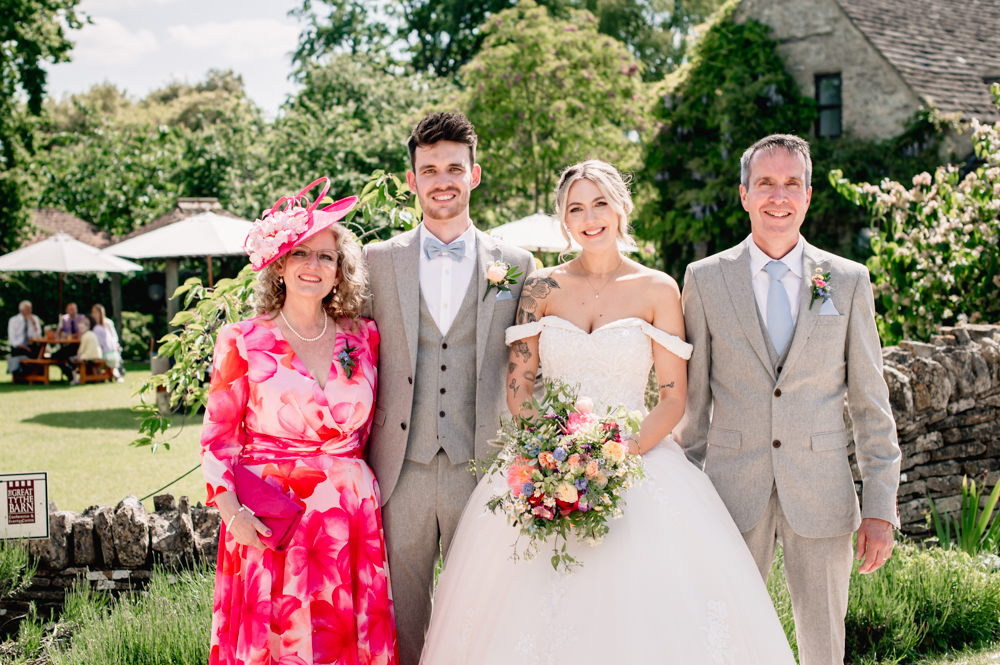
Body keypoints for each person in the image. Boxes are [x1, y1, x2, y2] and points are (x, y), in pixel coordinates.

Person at [419, 160, 797, 664]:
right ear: (563, 220)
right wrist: (553, 458)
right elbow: (520, 386)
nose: (589, 217)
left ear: (621, 208)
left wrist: (614, 459)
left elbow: (671, 398)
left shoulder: (658, 289)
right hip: (546, 462)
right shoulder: (539, 289)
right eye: (576, 208)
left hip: (638, 462)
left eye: (600, 203)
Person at [676, 134, 901, 665]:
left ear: (809, 194)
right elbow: (692, 407)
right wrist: (682, 503)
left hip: (822, 493)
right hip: (730, 495)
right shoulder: (705, 280)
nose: (779, 195)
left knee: (825, 648)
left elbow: (871, 401)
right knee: (728, 642)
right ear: (744, 194)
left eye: (792, 184)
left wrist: (880, 508)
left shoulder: (847, 281)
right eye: (766, 183)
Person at [200, 177, 399, 665]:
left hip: (350, 521)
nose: (314, 266)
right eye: (301, 254)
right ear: (280, 267)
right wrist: (232, 513)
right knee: (280, 641)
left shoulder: (363, 338)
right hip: (271, 521)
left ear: (339, 272)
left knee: (341, 640)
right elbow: (218, 441)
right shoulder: (243, 340)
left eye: (326, 257)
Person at [362, 111, 536, 665]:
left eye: (454, 169)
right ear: (411, 180)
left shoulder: (517, 264)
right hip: (399, 468)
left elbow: (531, 364)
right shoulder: (376, 261)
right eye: (429, 169)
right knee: (402, 617)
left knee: (481, 613)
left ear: (475, 175)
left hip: (481, 465)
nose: (442, 180)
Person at [7, 300, 43, 382]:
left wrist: (33, 323)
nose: (29, 311)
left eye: (30, 309)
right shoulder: (13, 320)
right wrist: (25, 347)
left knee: (39, 352)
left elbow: (38, 335)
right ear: (21, 310)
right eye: (27, 309)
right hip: (19, 347)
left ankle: (38, 375)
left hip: (31, 345)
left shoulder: (34, 318)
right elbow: (13, 340)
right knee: (27, 353)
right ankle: (22, 375)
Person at [52, 302, 87, 380]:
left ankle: (74, 375)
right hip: (67, 345)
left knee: (66, 356)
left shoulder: (81, 318)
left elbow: (85, 331)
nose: (73, 311)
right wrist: (61, 333)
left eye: (74, 309)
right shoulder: (64, 319)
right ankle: (71, 375)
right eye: (71, 309)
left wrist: (77, 335)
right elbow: (57, 334)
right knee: (55, 357)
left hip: (79, 346)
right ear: (67, 311)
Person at [91, 304, 124, 380]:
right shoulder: (93, 323)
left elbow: (114, 337)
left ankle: (116, 372)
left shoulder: (108, 322)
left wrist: (114, 345)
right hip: (99, 347)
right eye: (93, 312)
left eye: (96, 312)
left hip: (108, 347)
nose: (94, 314)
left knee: (115, 352)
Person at [70, 317, 102, 385]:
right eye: (79, 328)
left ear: (87, 327)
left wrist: (78, 354)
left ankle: (75, 378)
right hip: (98, 355)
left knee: (72, 361)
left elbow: (81, 349)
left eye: (82, 328)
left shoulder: (85, 336)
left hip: (88, 356)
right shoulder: (93, 333)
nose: (80, 330)